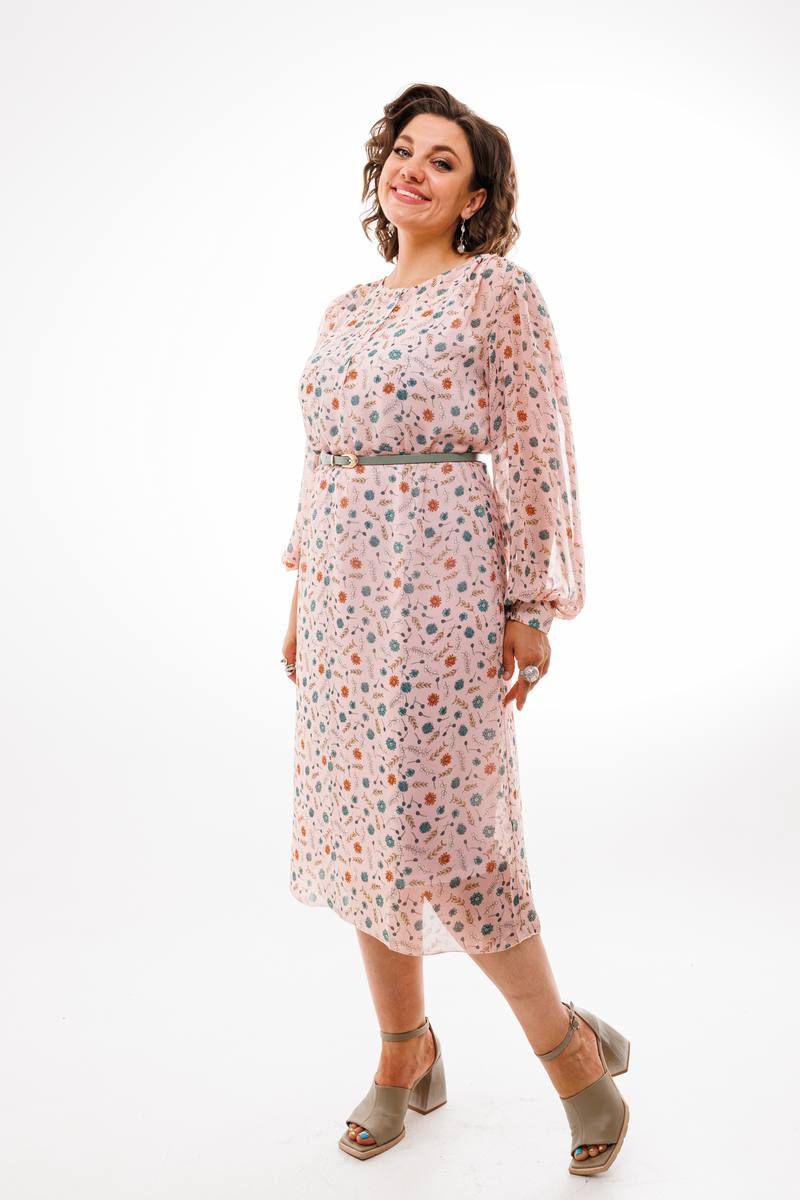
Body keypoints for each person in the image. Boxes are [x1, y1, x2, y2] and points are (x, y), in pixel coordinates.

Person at [279, 83, 631, 1176]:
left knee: (457, 836)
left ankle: (566, 1051)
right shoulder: (346, 308)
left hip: (440, 580)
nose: (413, 170)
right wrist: (299, 593)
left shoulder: (495, 292)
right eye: (404, 151)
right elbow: (320, 454)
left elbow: (533, 445)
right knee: (363, 827)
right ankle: (404, 1053)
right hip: (343, 595)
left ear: (475, 197)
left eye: (442, 161)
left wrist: (529, 604)